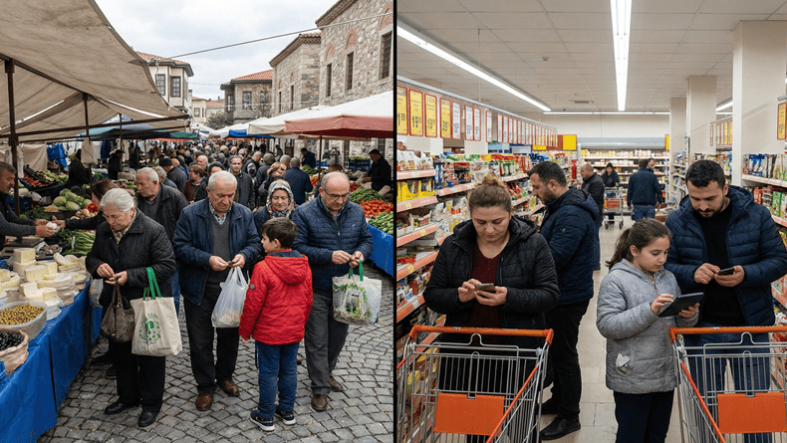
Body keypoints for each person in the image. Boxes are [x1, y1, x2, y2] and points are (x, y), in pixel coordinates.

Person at [423, 175, 560, 443]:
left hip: (518, 356)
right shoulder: (454, 246)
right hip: (469, 357)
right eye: (480, 222)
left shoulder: (533, 244)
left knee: (521, 430)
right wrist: (459, 297)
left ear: (511, 213)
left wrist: (509, 297)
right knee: (477, 432)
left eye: (497, 221)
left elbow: (550, 295)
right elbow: (434, 296)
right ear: (470, 216)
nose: (488, 230)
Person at [663, 160, 787, 437]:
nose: (703, 206)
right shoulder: (677, 220)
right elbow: (665, 266)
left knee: (754, 412)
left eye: (710, 198)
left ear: (725, 188)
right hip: (702, 329)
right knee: (706, 410)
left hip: (751, 328)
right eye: (695, 199)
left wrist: (747, 274)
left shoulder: (757, 216)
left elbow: (780, 260)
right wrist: (692, 272)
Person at [597, 219, 698, 443]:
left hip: (664, 374)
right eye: (655, 253)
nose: (662, 259)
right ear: (634, 250)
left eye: (665, 252)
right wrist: (649, 310)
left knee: (657, 434)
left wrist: (688, 316)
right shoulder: (616, 281)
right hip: (632, 376)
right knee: (632, 435)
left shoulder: (669, 278)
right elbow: (607, 325)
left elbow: (679, 327)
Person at [86, 188, 177, 428]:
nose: (110, 221)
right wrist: (98, 266)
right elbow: (91, 257)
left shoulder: (153, 230)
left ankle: (151, 404)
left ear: (131, 212)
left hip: (145, 303)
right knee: (121, 355)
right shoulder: (104, 229)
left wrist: (131, 276)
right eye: (106, 216)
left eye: (115, 217)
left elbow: (167, 266)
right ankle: (127, 397)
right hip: (116, 304)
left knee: (150, 357)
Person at [173, 171, 260, 412]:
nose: (226, 200)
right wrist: (206, 259)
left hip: (232, 288)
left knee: (229, 338)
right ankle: (204, 386)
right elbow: (180, 247)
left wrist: (245, 255)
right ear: (208, 191)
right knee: (200, 341)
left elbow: (255, 243)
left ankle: (225, 377)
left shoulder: (243, 213)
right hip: (199, 288)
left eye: (231, 195)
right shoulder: (191, 213)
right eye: (221, 195)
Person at [528, 161, 598, 440]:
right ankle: (558, 401)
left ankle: (570, 416)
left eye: (536, 186)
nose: (533, 192)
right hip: (563, 291)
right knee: (556, 352)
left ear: (553, 185)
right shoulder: (561, 207)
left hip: (567, 295)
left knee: (565, 355)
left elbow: (556, 257)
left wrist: (527, 257)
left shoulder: (570, 213)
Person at [292, 172, 373, 412]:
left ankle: (326, 373)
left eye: (345, 195)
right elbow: (297, 247)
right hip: (315, 286)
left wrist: (361, 254)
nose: (341, 201)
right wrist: (328, 256)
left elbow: (366, 240)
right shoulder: (304, 213)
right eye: (335, 196)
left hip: (346, 287)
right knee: (316, 339)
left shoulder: (356, 211)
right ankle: (319, 389)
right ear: (321, 192)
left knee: (338, 338)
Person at [239, 218, 313, 432]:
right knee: (289, 370)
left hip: (269, 333)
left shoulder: (263, 268)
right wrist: (301, 324)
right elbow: (308, 300)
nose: (261, 243)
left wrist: (245, 331)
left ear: (276, 243)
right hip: (293, 331)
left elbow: (252, 304)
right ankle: (287, 411)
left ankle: (265, 415)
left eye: (264, 239)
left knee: (269, 372)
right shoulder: (304, 265)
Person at [135, 167, 189, 315]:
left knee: (171, 297)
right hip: (145, 258)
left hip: (170, 258)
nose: (138, 188)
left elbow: (187, 227)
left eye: (142, 184)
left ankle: (171, 328)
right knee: (147, 295)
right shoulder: (137, 200)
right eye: (137, 184)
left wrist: (176, 250)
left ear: (154, 182)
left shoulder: (174, 196)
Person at [0, 162, 54, 242]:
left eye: (13, 179)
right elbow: (3, 227)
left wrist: (33, 223)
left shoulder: (2, 196)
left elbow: (11, 218)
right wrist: (35, 230)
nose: (13, 183)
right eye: (9, 179)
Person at [580, 163, 605, 270]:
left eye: (582, 171)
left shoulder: (596, 182)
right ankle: (591, 262)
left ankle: (595, 264)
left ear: (589, 171)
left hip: (595, 215)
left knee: (594, 240)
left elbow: (592, 198)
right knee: (590, 239)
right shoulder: (588, 181)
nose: (581, 173)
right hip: (589, 214)